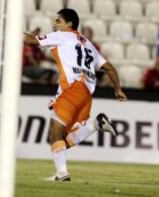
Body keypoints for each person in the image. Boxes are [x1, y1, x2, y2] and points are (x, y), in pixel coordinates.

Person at [24, 8, 127, 181]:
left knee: (54, 132)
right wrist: (117, 89)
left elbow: (29, 41)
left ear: (69, 24)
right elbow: (109, 67)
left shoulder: (61, 35)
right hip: (86, 93)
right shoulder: (88, 43)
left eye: (58, 20)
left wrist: (11, 30)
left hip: (73, 89)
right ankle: (96, 125)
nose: (55, 23)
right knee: (63, 138)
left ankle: (62, 173)